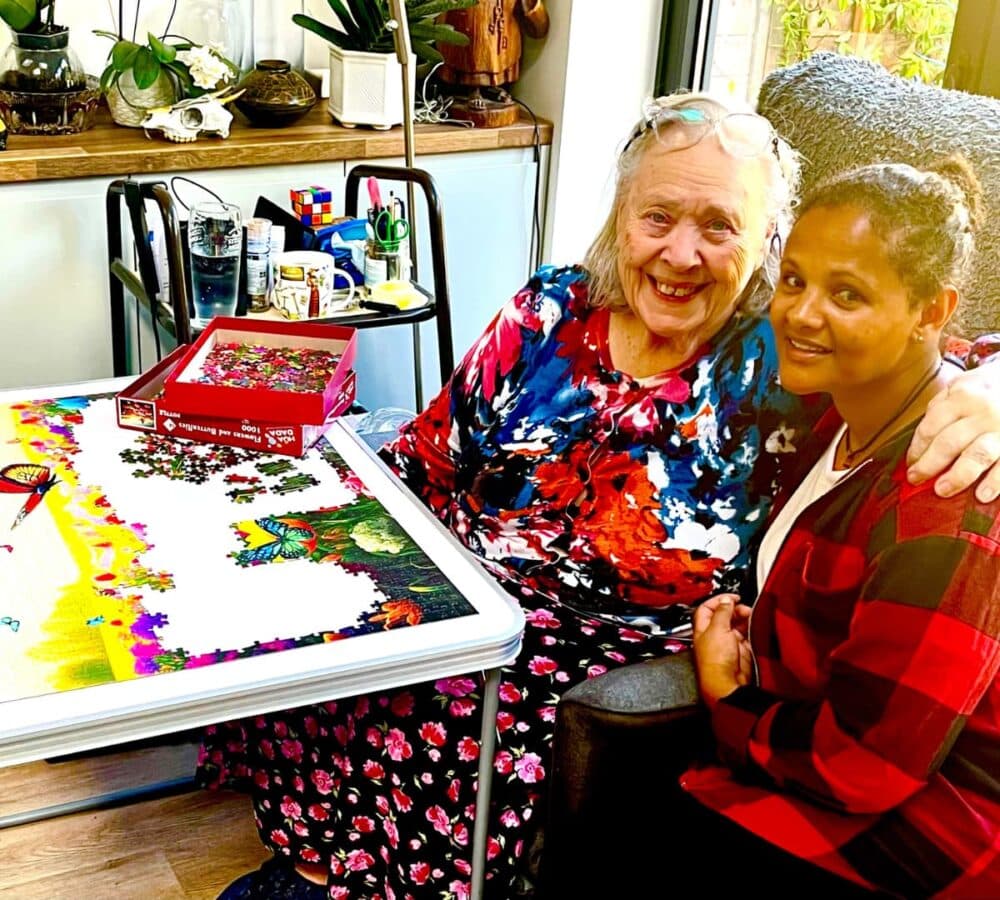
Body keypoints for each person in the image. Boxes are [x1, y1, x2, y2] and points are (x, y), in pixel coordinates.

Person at [202, 94, 1000, 899]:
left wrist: (996, 385)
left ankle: (339, 878)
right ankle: (318, 849)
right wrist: (332, 541)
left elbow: (923, 351)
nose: (680, 254)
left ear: (766, 240)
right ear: (623, 215)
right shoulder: (549, 309)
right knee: (309, 616)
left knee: (457, 707)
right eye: (658, 216)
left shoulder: (788, 354)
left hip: (597, 641)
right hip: (456, 575)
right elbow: (429, 455)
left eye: (719, 226)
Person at [688, 158, 999, 897]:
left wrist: (730, 703)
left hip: (931, 824)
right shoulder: (838, 401)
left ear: (930, 311)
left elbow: (868, 764)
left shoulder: (949, 496)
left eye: (847, 294)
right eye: (793, 280)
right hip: (821, 760)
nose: (800, 313)